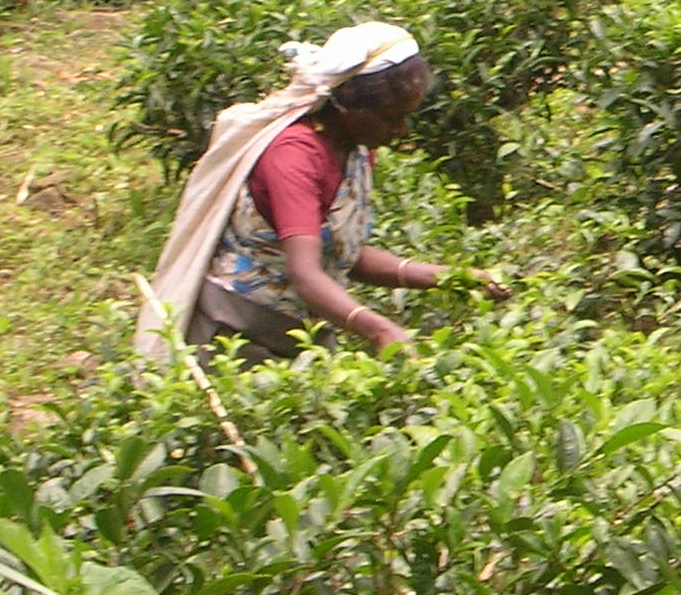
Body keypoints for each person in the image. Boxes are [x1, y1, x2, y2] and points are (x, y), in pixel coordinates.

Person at [135, 23, 507, 365]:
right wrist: (380, 329)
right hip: (236, 334)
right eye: (390, 118)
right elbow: (307, 275)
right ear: (346, 106)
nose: (400, 130)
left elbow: (344, 255)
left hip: (299, 333)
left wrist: (451, 276)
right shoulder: (293, 157)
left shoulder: (355, 149)